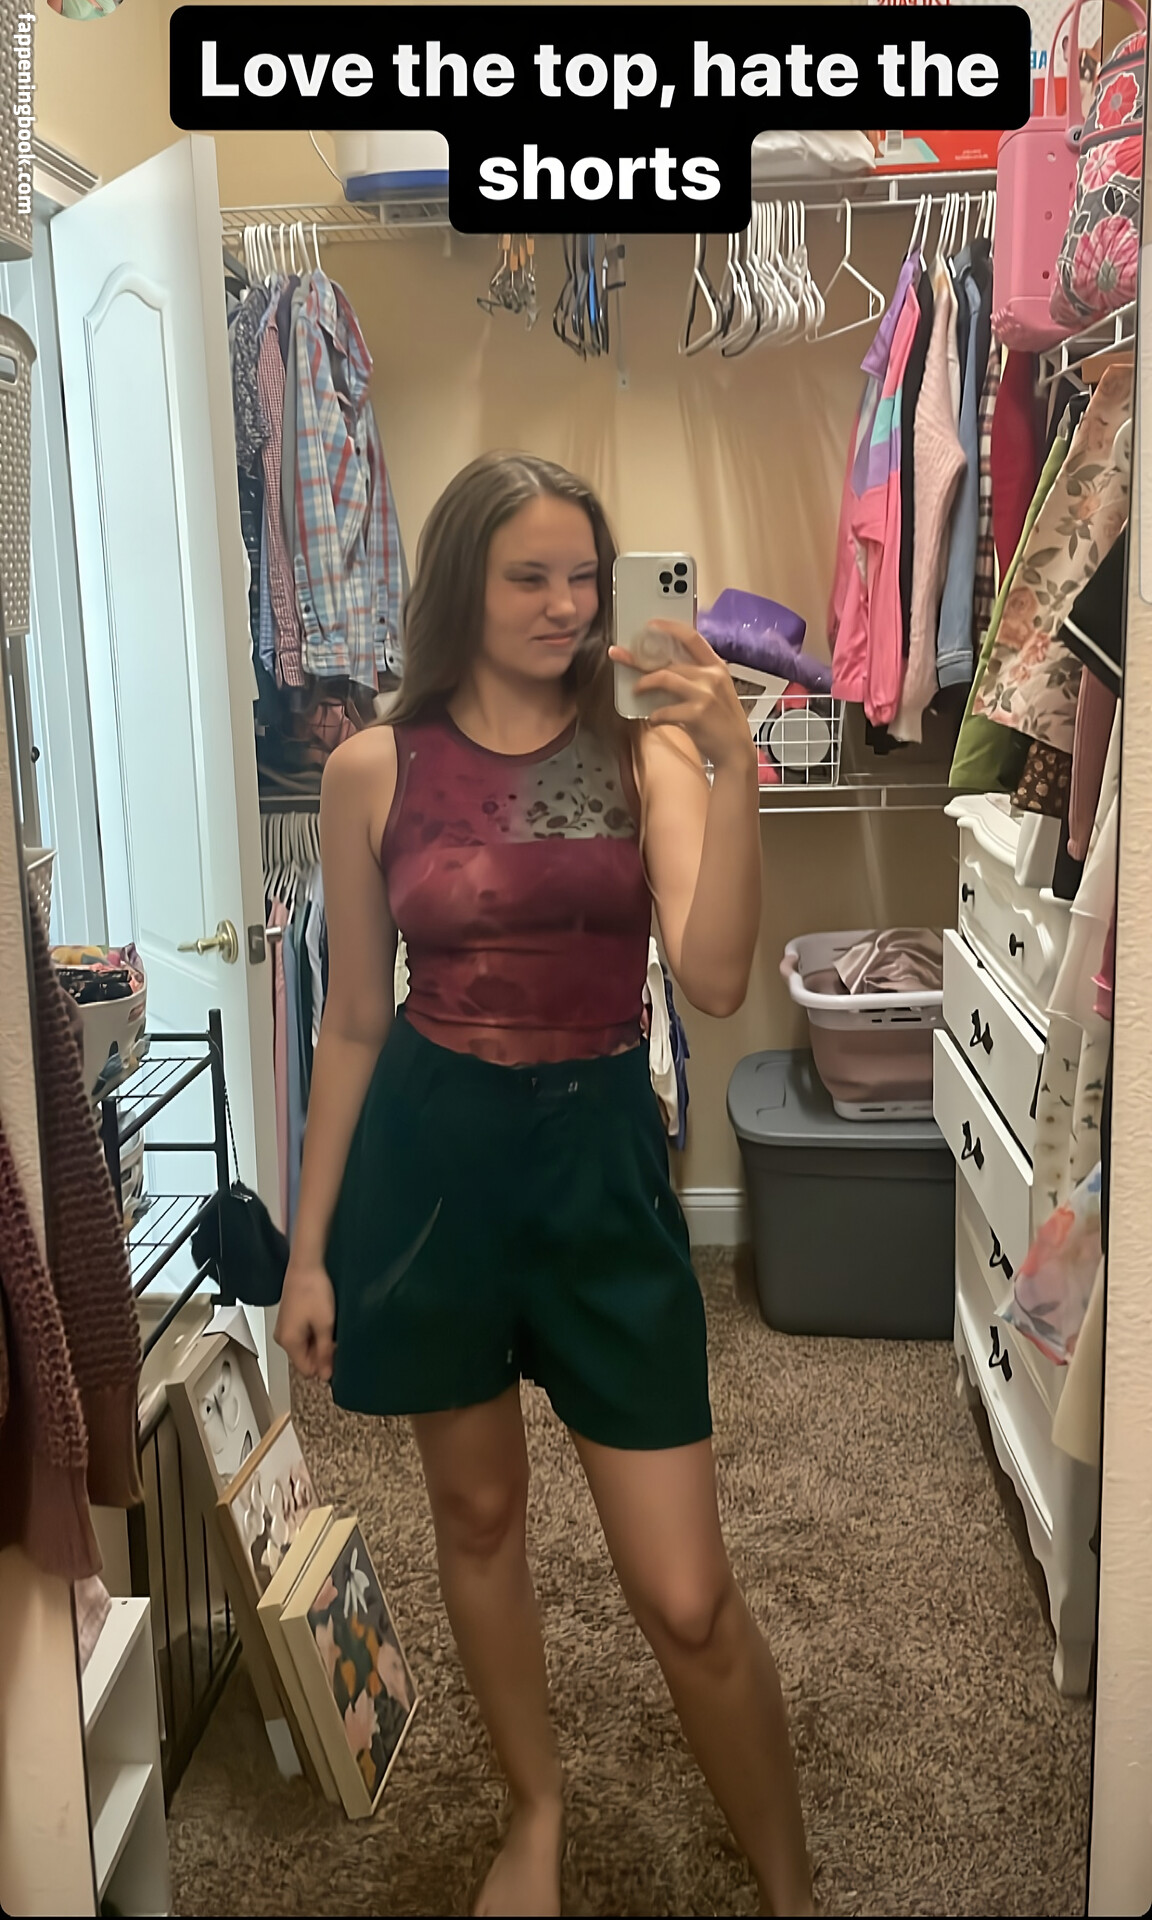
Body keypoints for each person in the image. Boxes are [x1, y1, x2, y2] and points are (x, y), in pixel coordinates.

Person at [274, 451, 814, 1918]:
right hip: (430, 1168)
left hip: (598, 1170)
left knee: (688, 1596)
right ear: (464, 582)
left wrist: (732, 767)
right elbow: (352, 1021)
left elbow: (713, 980)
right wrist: (310, 1251)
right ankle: (537, 1807)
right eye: (532, 576)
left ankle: (790, 1887)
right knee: (477, 1515)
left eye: (586, 575)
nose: (569, 604)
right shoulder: (373, 768)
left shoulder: (642, 753)